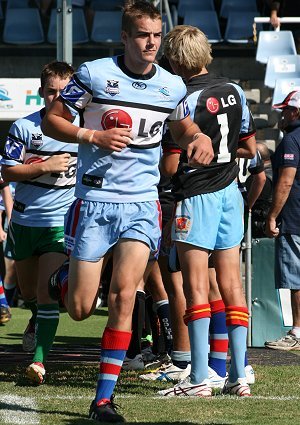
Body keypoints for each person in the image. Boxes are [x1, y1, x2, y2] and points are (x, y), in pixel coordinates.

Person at [41, 2, 213, 422]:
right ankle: (63, 277)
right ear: (124, 37)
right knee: (80, 307)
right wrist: (91, 135)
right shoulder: (94, 74)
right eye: (142, 34)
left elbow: (181, 124)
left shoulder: (172, 86)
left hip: (141, 203)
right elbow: (52, 120)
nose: (151, 42)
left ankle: (103, 399)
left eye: (156, 34)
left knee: (123, 297)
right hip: (95, 202)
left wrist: (198, 137)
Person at [158, 25, 256, 398]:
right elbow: (249, 144)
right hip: (230, 191)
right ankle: (238, 374)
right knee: (232, 286)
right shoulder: (234, 89)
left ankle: (199, 377)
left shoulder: (180, 99)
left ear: (173, 59)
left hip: (197, 194)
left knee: (195, 287)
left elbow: (169, 167)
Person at [1, 61, 77, 384]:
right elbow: (7, 172)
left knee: (47, 294)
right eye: (51, 91)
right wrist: (44, 166)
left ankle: (39, 362)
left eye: (64, 92)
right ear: (41, 92)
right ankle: (34, 317)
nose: (57, 97)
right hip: (23, 221)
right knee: (29, 292)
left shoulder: (83, 132)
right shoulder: (24, 128)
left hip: (57, 225)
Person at [265, 90, 300, 350]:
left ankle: (297, 331)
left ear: (296, 112)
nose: (282, 114)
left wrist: (273, 215)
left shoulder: (291, 139)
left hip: (294, 217)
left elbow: (286, 181)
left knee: (296, 278)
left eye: (286, 110)